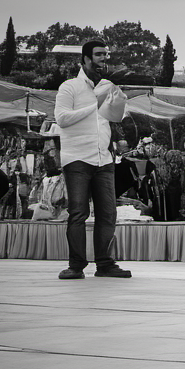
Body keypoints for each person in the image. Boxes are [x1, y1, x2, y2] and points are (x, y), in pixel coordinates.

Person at [54, 39, 131, 278]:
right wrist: (94, 105)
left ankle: (105, 264)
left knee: (108, 213)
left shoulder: (109, 85)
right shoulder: (69, 87)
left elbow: (116, 118)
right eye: (99, 55)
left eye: (106, 55)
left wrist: (118, 101)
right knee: (78, 213)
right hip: (77, 158)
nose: (104, 59)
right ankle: (76, 266)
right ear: (86, 58)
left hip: (104, 160)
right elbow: (62, 119)